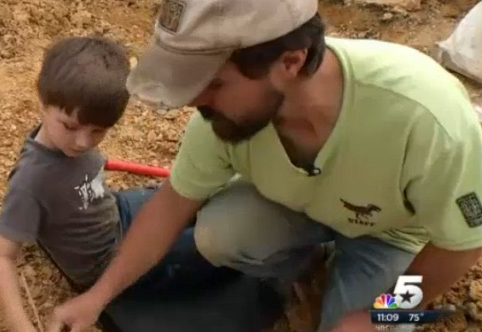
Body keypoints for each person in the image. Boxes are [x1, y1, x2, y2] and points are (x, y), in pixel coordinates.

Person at [48, 0, 482, 332]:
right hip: (297, 206)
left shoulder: (425, 119)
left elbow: (462, 244)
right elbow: (169, 208)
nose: (196, 101)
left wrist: (381, 314)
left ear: (289, 62)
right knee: (220, 235)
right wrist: (99, 297)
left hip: (387, 236)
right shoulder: (223, 119)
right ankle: (303, 265)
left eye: (213, 84)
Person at [0, 36, 216, 332]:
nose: (83, 142)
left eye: (98, 131)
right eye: (70, 126)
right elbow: (0, 255)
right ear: (42, 103)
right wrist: (22, 327)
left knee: (187, 200)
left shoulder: (69, 138)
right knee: (209, 248)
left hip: (115, 213)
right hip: (104, 265)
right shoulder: (31, 180)